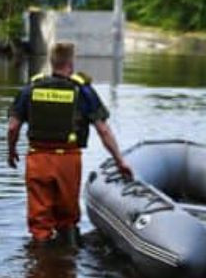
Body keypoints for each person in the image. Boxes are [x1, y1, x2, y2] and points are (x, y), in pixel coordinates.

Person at [7, 42, 132, 244]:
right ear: (70, 64)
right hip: (68, 160)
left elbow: (13, 127)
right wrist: (120, 161)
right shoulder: (83, 91)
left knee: (39, 221)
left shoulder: (31, 88)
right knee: (68, 216)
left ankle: (40, 264)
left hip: (37, 158)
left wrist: (11, 151)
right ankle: (67, 263)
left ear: (52, 62)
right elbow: (103, 130)